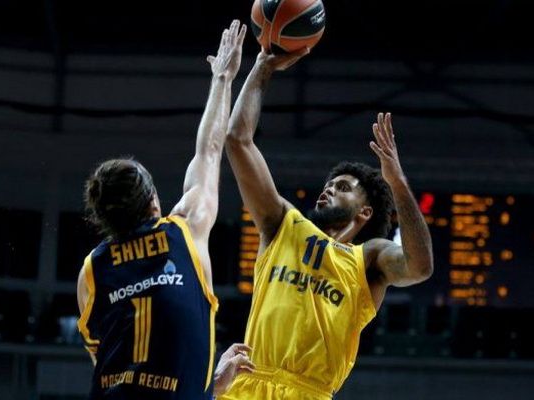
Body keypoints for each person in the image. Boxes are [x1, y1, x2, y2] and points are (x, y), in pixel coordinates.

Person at [218, 49, 434, 400]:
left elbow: (420, 266)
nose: (329, 189)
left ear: (365, 213)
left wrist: (397, 183)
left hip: (309, 392)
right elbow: (237, 140)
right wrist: (263, 66)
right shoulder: (284, 225)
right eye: (329, 185)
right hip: (249, 383)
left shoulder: (367, 259)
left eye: (343, 187)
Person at [76, 20, 255, 400]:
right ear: (154, 202)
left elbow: (112, 364)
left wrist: (208, 387)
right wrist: (223, 78)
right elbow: (209, 150)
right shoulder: (185, 234)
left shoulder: (92, 271)